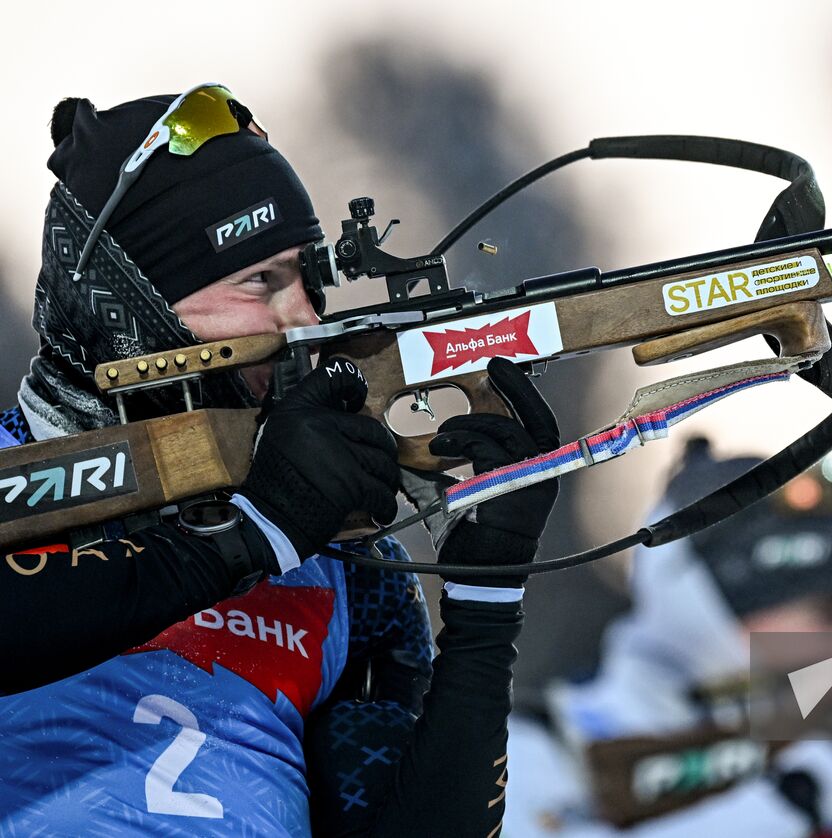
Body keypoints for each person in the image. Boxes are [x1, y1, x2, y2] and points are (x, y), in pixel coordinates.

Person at [0, 87, 558, 836]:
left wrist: (487, 605)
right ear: (134, 312)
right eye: (260, 282)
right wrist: (247, 539)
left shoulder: (343, 564)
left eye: (308, 281)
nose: (307, 319)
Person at [502, 439, 832, 837]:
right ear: (695, 605)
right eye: (815, 612)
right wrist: (759, 819)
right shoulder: (532, 754)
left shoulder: (826, 749)